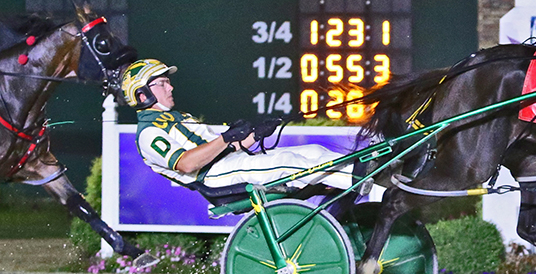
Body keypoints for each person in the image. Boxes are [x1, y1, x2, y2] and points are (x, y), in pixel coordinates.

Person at [121, 58, 360, 195]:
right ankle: (365, 183)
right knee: (288, 162)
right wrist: (225, 139)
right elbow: (187, 163)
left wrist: (255, 135)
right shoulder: (148, 134)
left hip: (225, 164)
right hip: (213, 177)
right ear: (142, 95)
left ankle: (360, 169)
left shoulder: (179, 117)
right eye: (162, 84)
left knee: (313, 151)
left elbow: (227, 147)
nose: (170, 88)